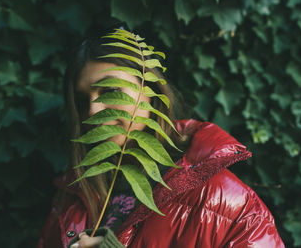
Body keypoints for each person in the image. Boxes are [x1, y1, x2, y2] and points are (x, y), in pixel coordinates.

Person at [37, 29, 285, 248]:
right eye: (82, 102)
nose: (92, 112)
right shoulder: (73, 196)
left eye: (111, 91)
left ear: (151, 93)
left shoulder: (224, 201)